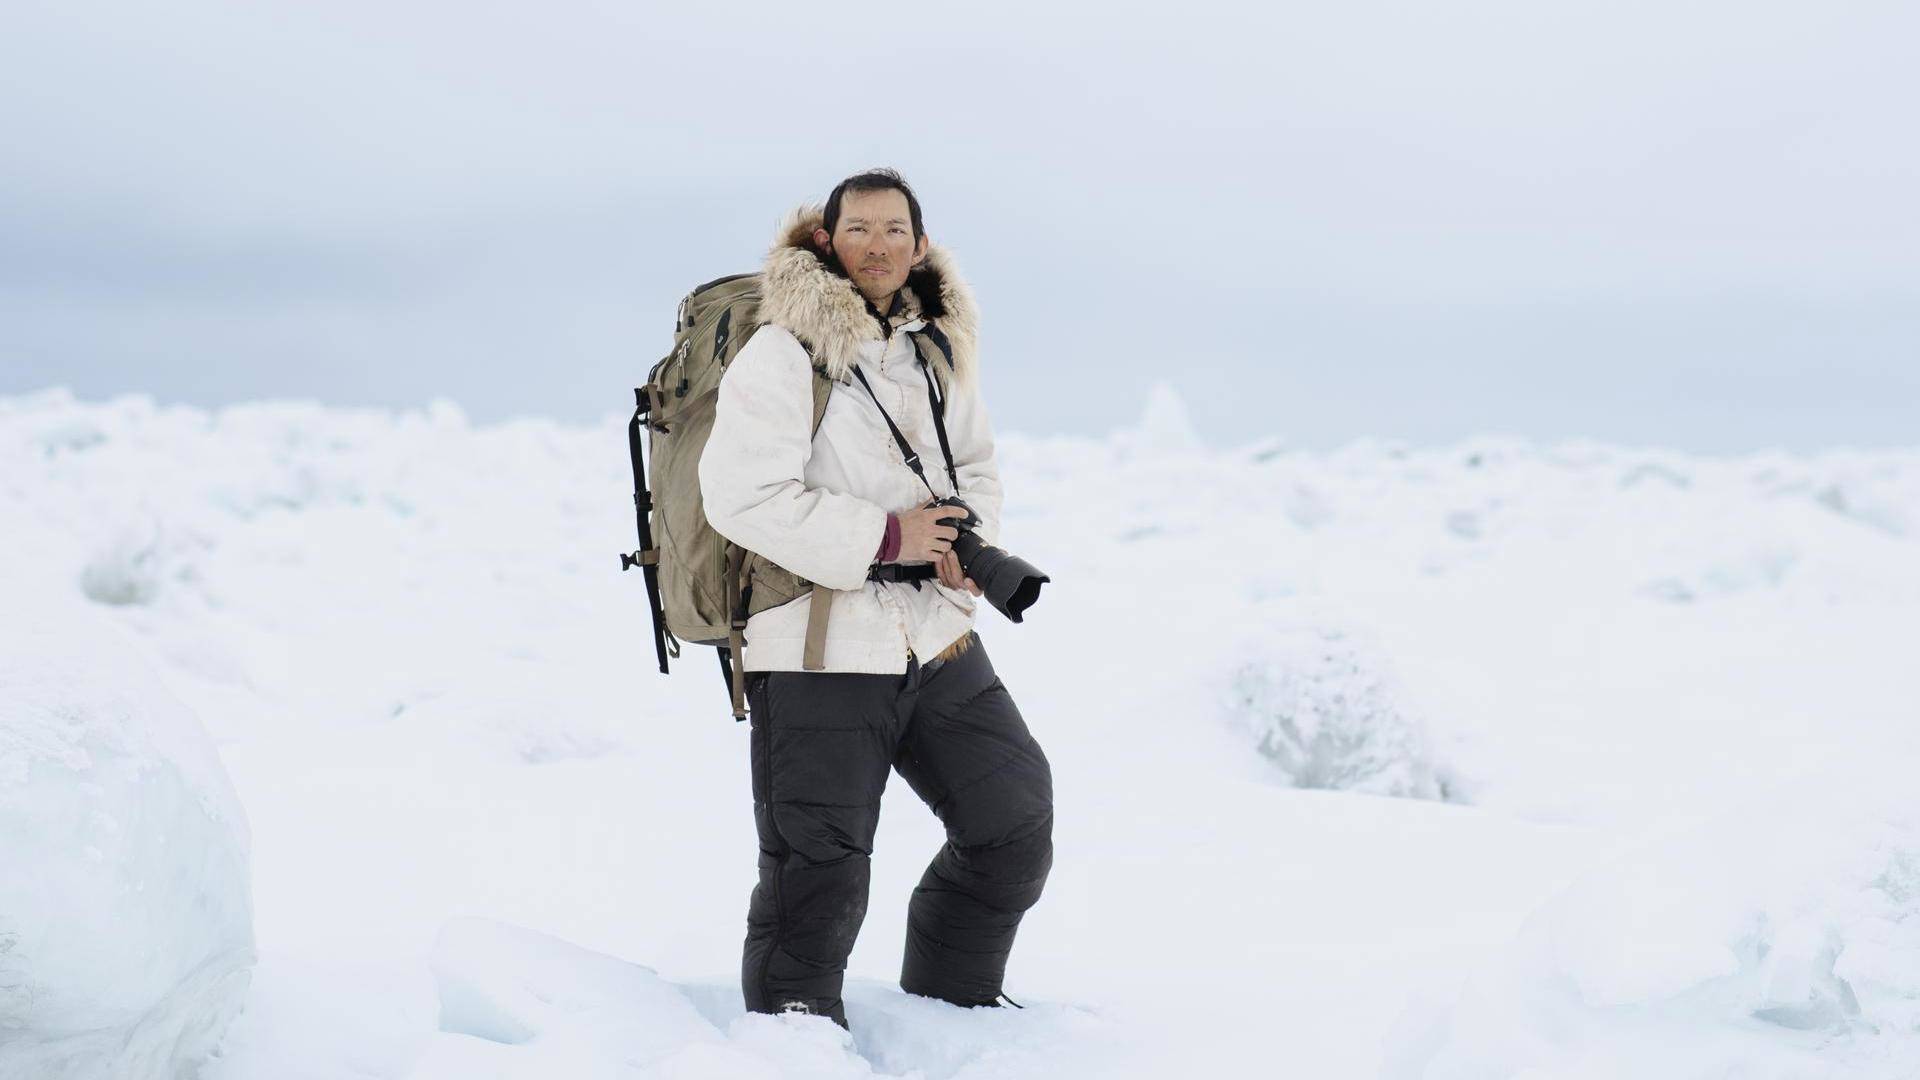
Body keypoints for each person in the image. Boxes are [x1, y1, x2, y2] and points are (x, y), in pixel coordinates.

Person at [696, 169, 1053, 1029]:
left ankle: (952, 1016)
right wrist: (890, 539)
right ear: (826, 241)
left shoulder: (934, 350)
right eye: (859, 229)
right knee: (818, 872)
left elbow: (977, 467)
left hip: (932, 637)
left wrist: (966, 550)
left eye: (896, 230)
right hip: (818, 645)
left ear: (920, 245)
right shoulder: (782, 353)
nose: (879, 246)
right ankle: (795, 1040)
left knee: (1013, 823)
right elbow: (739, 498)